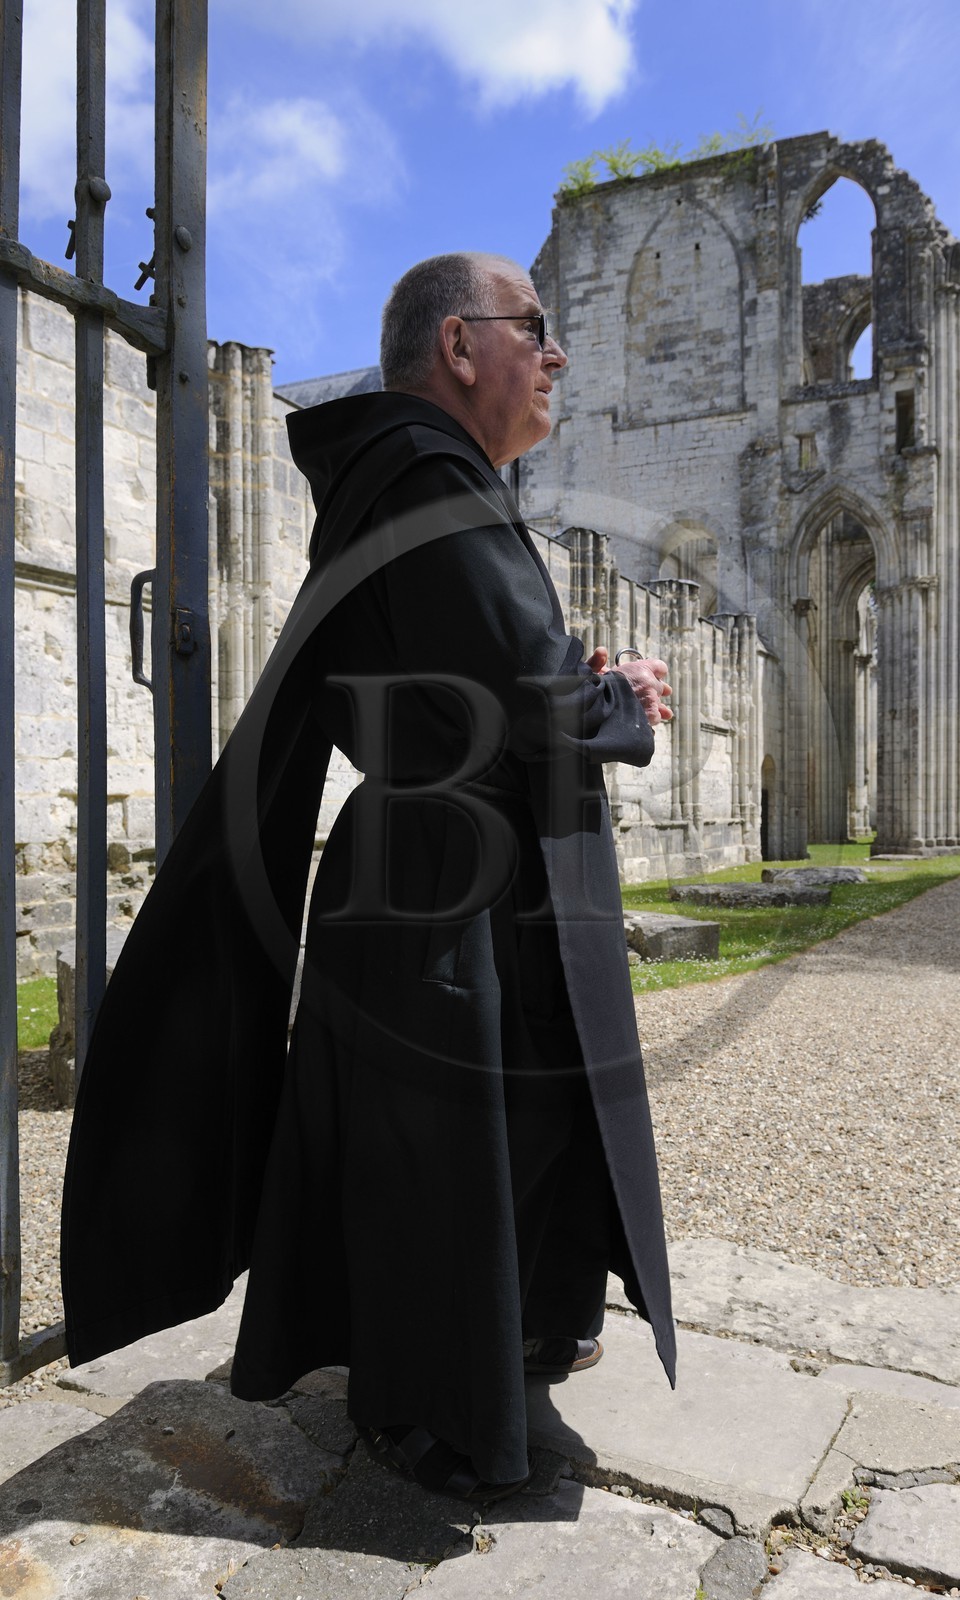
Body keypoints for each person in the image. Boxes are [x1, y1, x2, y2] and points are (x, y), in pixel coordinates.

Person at [61, 251, 676, 1503]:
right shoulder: (426, 475)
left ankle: (507, 1339)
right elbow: (533, 695)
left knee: (505, 1128)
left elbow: (495, 675)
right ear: (461, 346)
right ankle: (437, 1407)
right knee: (436, 1148)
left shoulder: (422, 481)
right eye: (535, 329)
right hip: (447, 898)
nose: (554, 354)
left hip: (440, 872)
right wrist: (626, 698)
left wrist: (572, 684)